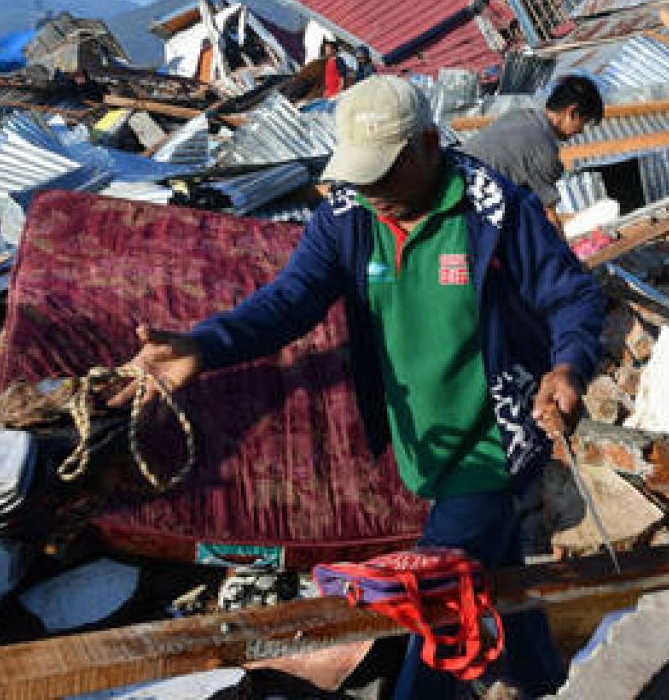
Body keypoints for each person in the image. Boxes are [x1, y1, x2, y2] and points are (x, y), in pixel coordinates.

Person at [114, 75, 605, 698]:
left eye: (383, 174)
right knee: (497, 566)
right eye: (360, 175)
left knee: (439, 594)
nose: (371, 191)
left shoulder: (496, 210)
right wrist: (205, 345)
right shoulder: (349, 216)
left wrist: (568, 365)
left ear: (428, 145)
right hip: (425, 440)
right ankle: (541, 679)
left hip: (496, 435)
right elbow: (291, 300)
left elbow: (573, 295)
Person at [461, 74, 604, 223]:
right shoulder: (544, 148)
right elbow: (548, 216)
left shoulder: (517, 116)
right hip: (465, 211)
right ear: (572, 112)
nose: (580, 131)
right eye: (584, 123)